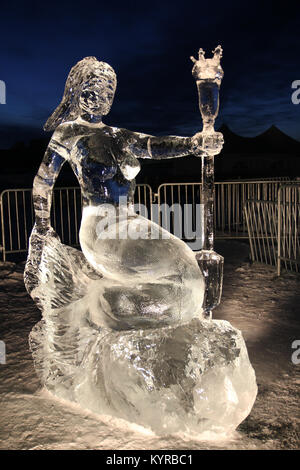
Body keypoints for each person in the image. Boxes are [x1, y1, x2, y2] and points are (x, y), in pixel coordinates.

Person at [25, 56, 223, 331]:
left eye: (109, 90)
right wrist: (43, 225)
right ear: (79, 89)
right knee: (183, 269)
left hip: (128, 221)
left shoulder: (119, 136)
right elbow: (43, 181)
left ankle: (111, 308)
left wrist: (194, 144)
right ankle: (101, 312)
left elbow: (155, 145)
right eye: (95, 87)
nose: (102, 96)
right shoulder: (68, 133)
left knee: (183, 269)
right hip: (100, 227)